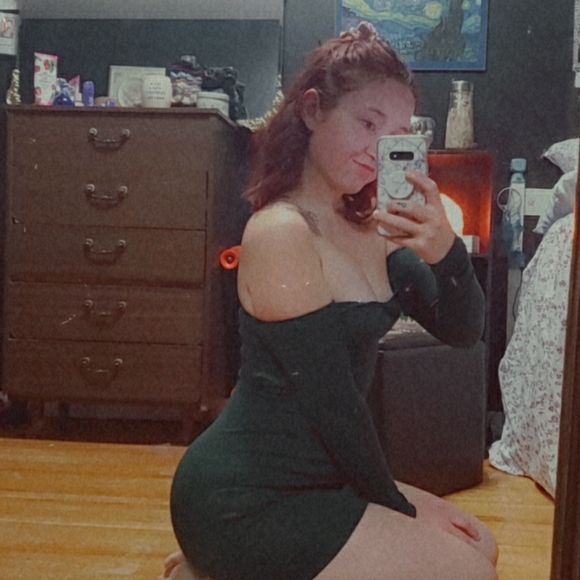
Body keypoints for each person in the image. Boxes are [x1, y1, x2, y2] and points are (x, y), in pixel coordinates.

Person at [161, 22, 498, 580]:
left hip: (327, 474)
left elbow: (464, 331)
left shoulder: (375, 231)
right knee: (469, 572)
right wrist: (396, 506)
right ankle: (219, 561)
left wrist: (446, 252)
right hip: (245, 495)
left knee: (480, 544)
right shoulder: (280, 231)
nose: (377, 147)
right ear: (313, 111)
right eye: (367, 123)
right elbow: (334, 408)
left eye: (396, 132)